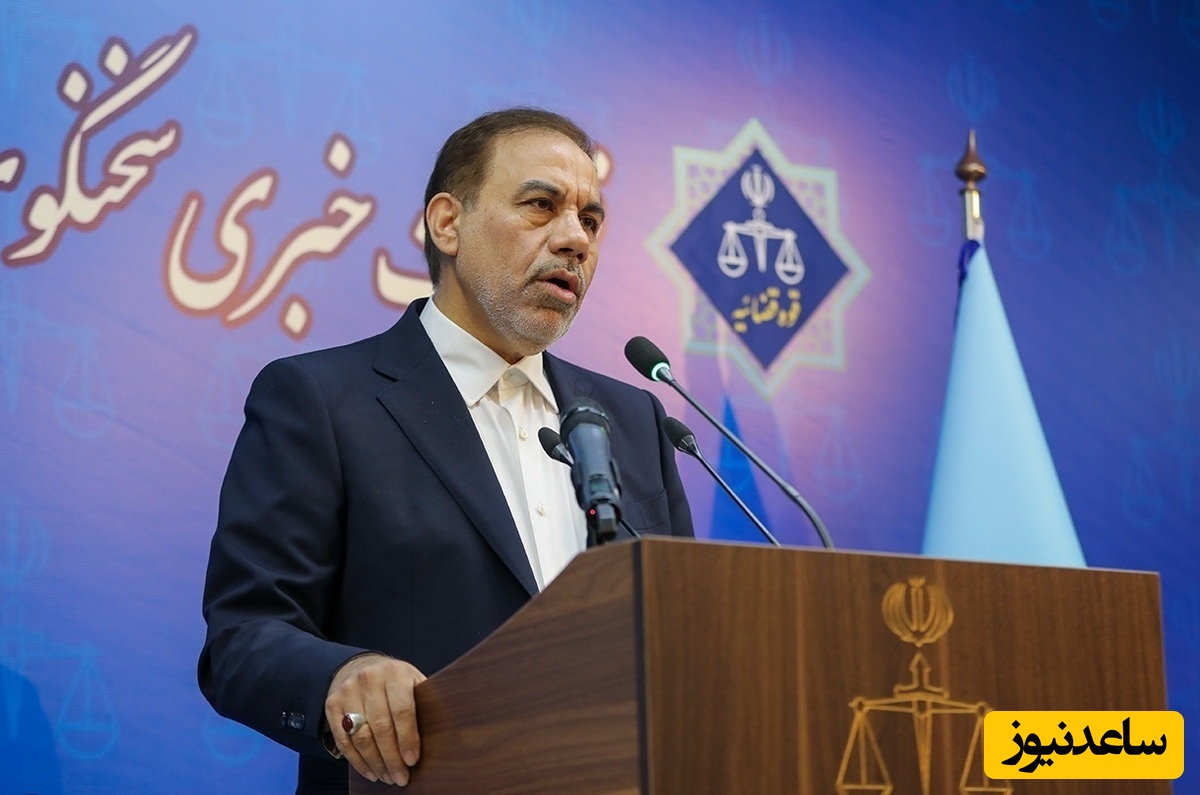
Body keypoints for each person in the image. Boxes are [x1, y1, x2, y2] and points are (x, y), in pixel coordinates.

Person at [198, 107, 694, 793]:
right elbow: (244, 635)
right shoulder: (322, 400)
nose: (575, 239)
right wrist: (341, 677)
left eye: (590, 220)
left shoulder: (634, 419)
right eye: (541, 205)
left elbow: (681, 635)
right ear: (447, 224)